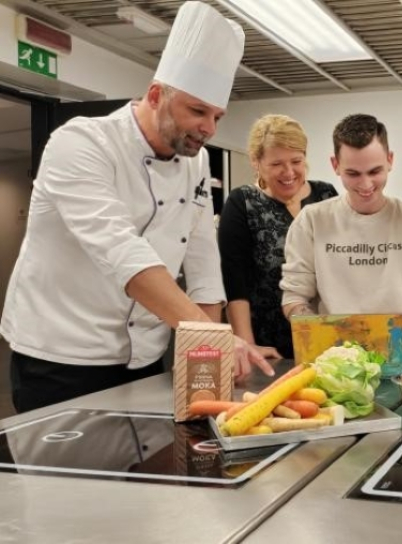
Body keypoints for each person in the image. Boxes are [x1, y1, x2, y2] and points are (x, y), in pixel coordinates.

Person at [0, 1, 273, 414]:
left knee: (146, 470)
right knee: (69, 477)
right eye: (197, 111)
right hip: (63, 356)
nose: (209, 128)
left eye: (217, 115)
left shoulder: (195, 160)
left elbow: (200, 255)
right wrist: (209, 335)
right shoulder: (81, 144)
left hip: (145, 354)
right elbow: (122, 251)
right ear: (156, 94)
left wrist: (210, 350)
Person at [280, 114, 402, 335]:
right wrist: (326, 340)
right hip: (334, 354)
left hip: (400, 350)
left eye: (375, 171)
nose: (366, 184)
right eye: (353, 174)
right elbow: (294, 297)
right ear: (335, 165)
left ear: (390, 160)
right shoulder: (311, 221)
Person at [218, 115, 337, 360]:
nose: (289, 172)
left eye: (297, 161)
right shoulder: (243, 203)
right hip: (268, 343)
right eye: (276, 164)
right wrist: (248, 346)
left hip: (327, 339)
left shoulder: (327, 195)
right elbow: (235, 282)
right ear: (256, 161)